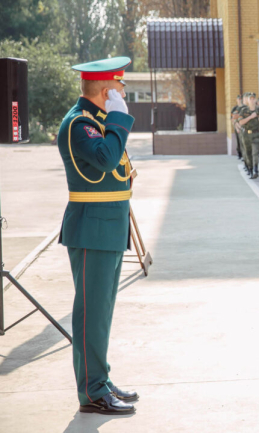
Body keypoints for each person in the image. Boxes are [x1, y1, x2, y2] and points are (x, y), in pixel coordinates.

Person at [58, 56, 138, 415]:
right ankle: (92, 391)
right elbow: (105, 159)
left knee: (101, 312)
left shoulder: (97, 122)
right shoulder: (80, 124)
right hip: (93, 229)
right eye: (120, 87)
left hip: (107, 227)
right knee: (91, 313)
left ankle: (100, 379)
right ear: (107, 91)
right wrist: (119, 121)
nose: (123, 93)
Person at [237, 92, 259, 178]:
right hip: (246, 134)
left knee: (255, 152)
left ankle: (255, 169)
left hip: (256, 133)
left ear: (255, 100)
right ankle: (250, 169)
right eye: (250, 99)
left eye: (253, 98)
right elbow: (241, 122)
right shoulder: (244, 110)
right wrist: (251, 117)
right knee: (248, 153)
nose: (252, 100)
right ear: (247, 100)